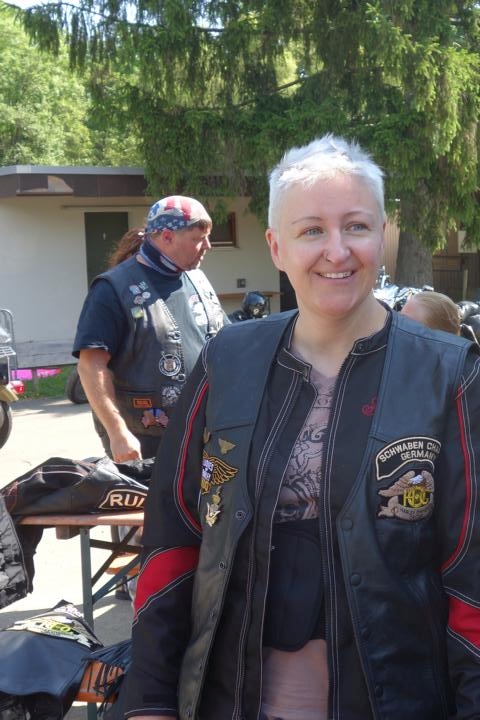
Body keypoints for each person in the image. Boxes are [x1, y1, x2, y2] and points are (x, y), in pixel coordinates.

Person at [122, 136, 480, 719]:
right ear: (276, 246)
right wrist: (149, 704)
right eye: (311, 230)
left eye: (356, 226)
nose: (337, 251)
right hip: (230, 701)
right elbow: (175, 538)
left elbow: (472, 579)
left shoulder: (450, 373)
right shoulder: (226, 362)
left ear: (381, 235)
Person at [73, 196, 229, 463]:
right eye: (198, 238)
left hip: (205, 433)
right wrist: (117, 432)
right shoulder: (112, 289)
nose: (208, 246)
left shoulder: (198, 279)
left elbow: (225, 339)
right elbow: (90, 367)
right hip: (146, 443)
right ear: (167, 237)